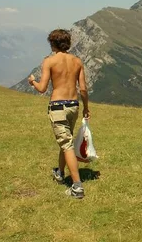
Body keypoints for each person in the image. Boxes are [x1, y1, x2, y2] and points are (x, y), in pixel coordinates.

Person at [28, 29, 90, 199]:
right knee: (66, 141)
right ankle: (60, 173)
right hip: (73, 105)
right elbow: (83, 88)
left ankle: (77, 187)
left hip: (57, 107)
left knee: (66, 144)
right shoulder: (77, 61)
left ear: (53, 43)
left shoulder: (49, 61)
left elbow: (42, 88)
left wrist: (32, 81)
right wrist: (86, 107)